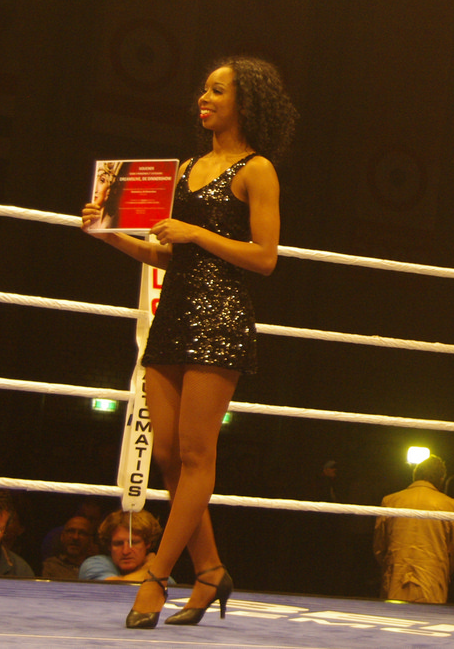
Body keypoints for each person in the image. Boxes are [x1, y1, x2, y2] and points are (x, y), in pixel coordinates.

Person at [82, 55, 296, 628]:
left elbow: (265, 257)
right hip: (173, 314)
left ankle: (156, 576)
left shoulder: (258, 170)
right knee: (170, 458)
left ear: (245, 103)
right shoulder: (185, 168)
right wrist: (109, 234)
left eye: (217, 91)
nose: (203, 98)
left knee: (198, 456)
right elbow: (167, 255)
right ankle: (210, 570)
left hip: (220, 318)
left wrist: (196, 232)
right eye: (203, 89)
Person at [374, 455, 454, 603]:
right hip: (432, 580)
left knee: (392, 616)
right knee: (427, 617)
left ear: (415, 475)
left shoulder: (390, 501)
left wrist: (389, 566)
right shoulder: (449, 505)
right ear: (441, 479)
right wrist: (442, 570)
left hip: (395, 577)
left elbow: (379, 546)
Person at [80, 510, 165, 581]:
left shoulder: (166, 579)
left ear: (148, 543)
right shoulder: (94, 565)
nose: (125, 551)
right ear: (109, 546)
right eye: (118, 544)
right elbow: (115, 589)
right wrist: (149, 568)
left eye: (134, 543)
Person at [41, 514, 95, 579]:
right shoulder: (50, 566)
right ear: (62, 537)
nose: (75, 537)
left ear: (90, 540)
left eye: (82, 533)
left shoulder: (97, 567)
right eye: (71, 531)